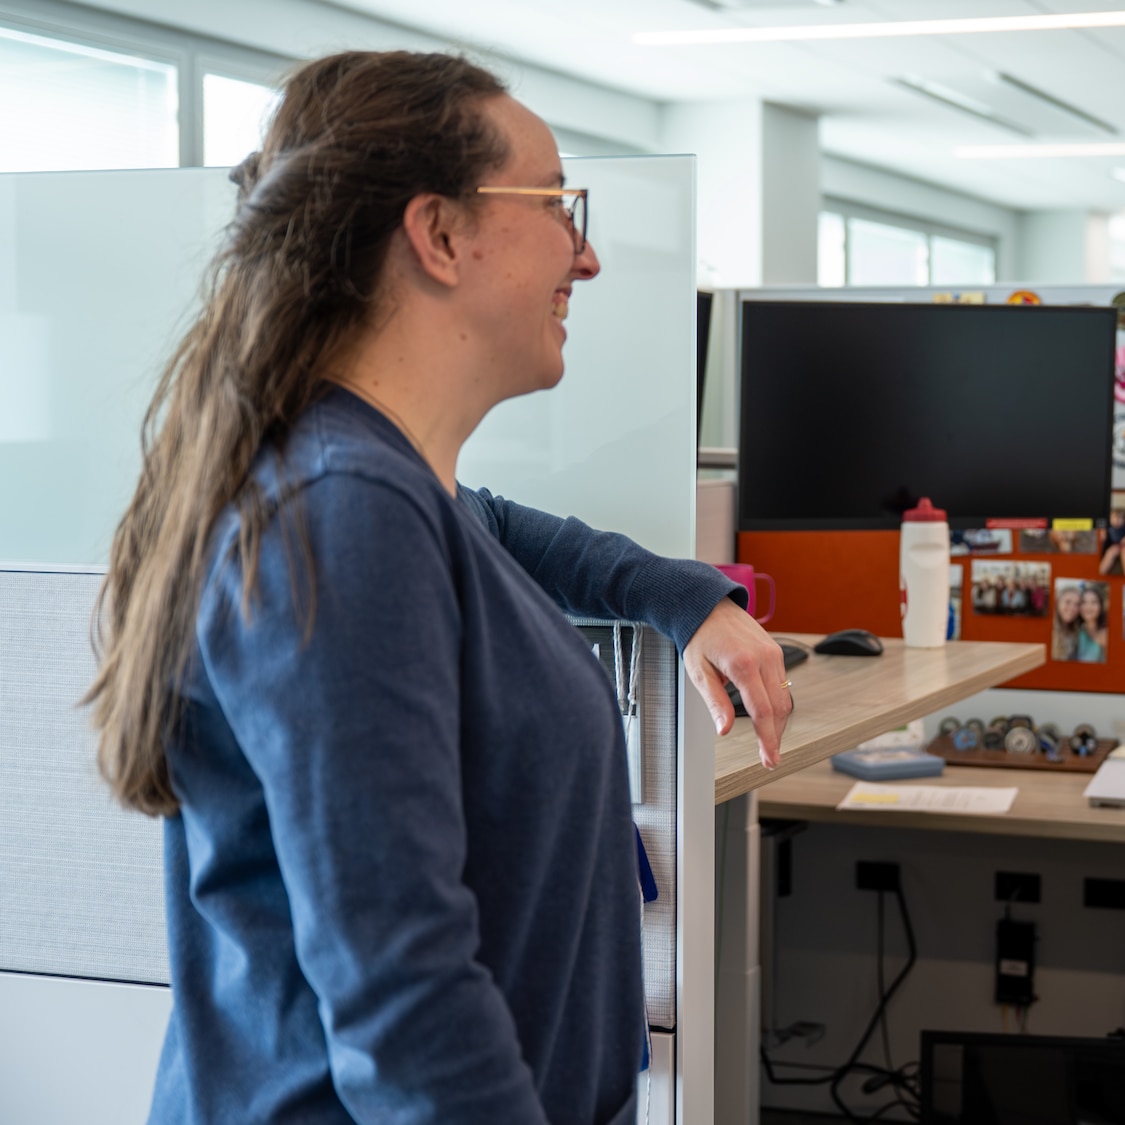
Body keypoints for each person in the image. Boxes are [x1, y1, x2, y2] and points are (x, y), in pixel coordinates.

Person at [83, 51, 791, 1125]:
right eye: (557, 206)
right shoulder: (343, 509)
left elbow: (501, 529)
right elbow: (404, 1001)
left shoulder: (392, 485)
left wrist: (680, 595)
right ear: (441, 234)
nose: (586, 256)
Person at [1075, 583, 1110, 663]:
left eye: (1094, 602)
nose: (1088, 607)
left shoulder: (1105, 634)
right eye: (1084, 602)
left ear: (1101, 606)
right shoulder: (1077, 630)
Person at [1051, 584, 1082, 661]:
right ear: (1057, 603)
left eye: (1077, 604)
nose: (1072, 608)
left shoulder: (1077, 630)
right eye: (1067, 602)